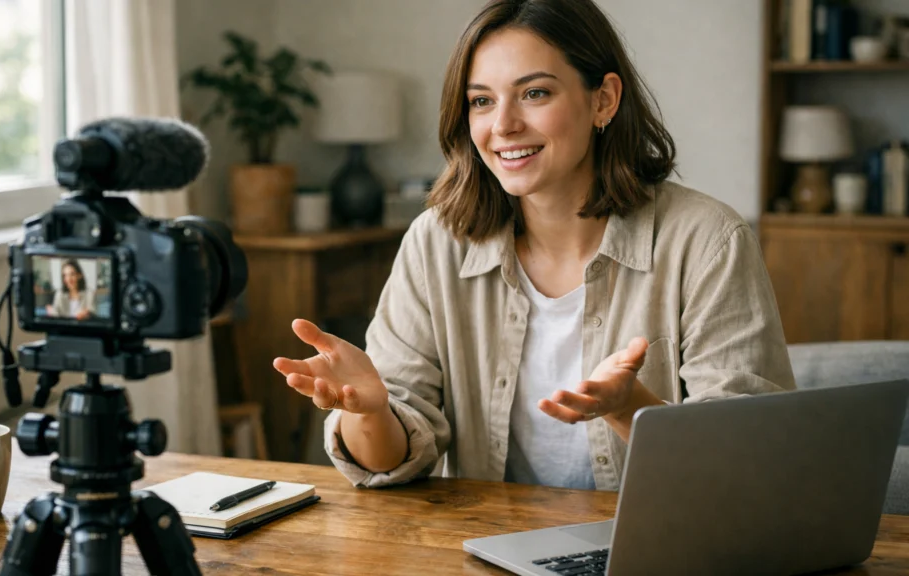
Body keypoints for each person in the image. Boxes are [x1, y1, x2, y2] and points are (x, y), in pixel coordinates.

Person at [273, 0, 795, 491]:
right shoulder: (436, 243)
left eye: (535, 93)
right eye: (481, 101)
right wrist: (372, 412)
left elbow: (747, 466)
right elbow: (390, 462)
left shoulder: (708, 241)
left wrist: (630, 408)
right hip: (487, 548)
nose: (503, 126)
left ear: (604, 100)